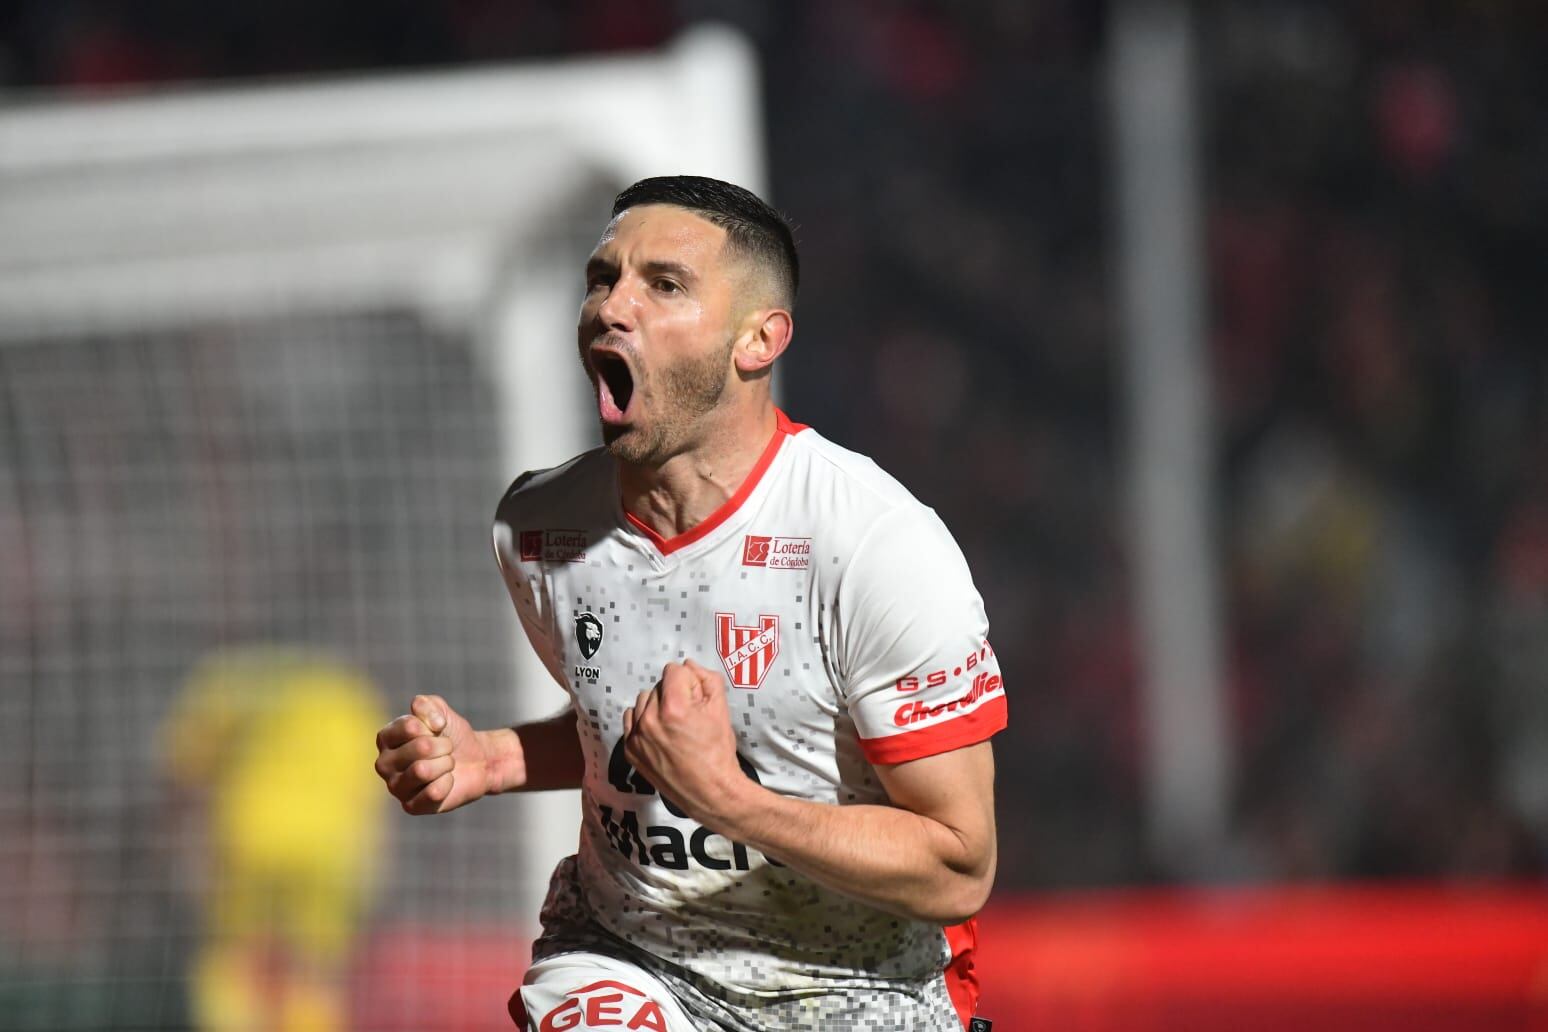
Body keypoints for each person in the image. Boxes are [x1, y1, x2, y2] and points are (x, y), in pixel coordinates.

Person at [374, 176, 1005, 1031]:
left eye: (663, 285)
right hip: (636, 954)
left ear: (759, 340)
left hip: (859, 986)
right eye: (603, 278)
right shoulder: (538, 530)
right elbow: (620, 737)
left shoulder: (874, 545)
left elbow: (959, 866)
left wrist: (731, 802)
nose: (610, 307)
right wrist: (492, 760)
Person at [164, 646, 387, 1032]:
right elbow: (374, 789)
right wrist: (372, 863)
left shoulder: (225, 684)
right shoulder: (347, 692)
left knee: (237, 959)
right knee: (313, 969)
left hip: (244, 843)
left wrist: (188, 851)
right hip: (325, 850)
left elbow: (184, 778)